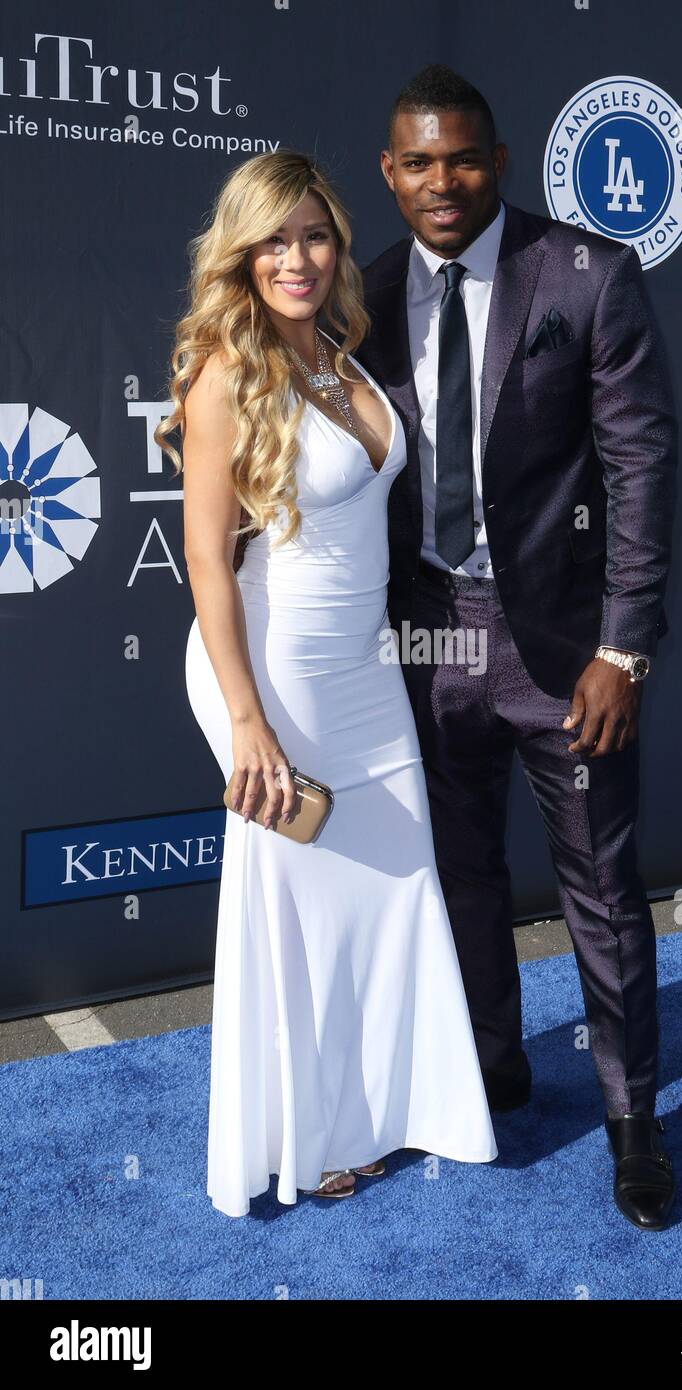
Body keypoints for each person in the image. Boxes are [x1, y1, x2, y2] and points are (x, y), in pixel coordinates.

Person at [354, 65, 678, 1230]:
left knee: (598, 882)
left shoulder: (586, 274)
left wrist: (621, 651)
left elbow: (641, 466)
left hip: (561, 647)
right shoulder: (370, 292)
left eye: (464, 158)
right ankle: (490, 1069)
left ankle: (632, 1117)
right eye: (418, 163)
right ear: (389, 173)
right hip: (427, 633)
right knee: (463, 876)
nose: (443, 182)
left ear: (500, 159)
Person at [154, 150, 497, 1217]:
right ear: (242, 257)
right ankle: (302, 1141)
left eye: (312, 235)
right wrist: (247, 722)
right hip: (272, 670)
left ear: (336, 246)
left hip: (361, 670)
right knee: (296, 903)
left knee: (393, 886)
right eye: (272, 240)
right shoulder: (225, 369)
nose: (295, 257)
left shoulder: (343, 357)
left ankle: (387, 1111)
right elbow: (207, 558)